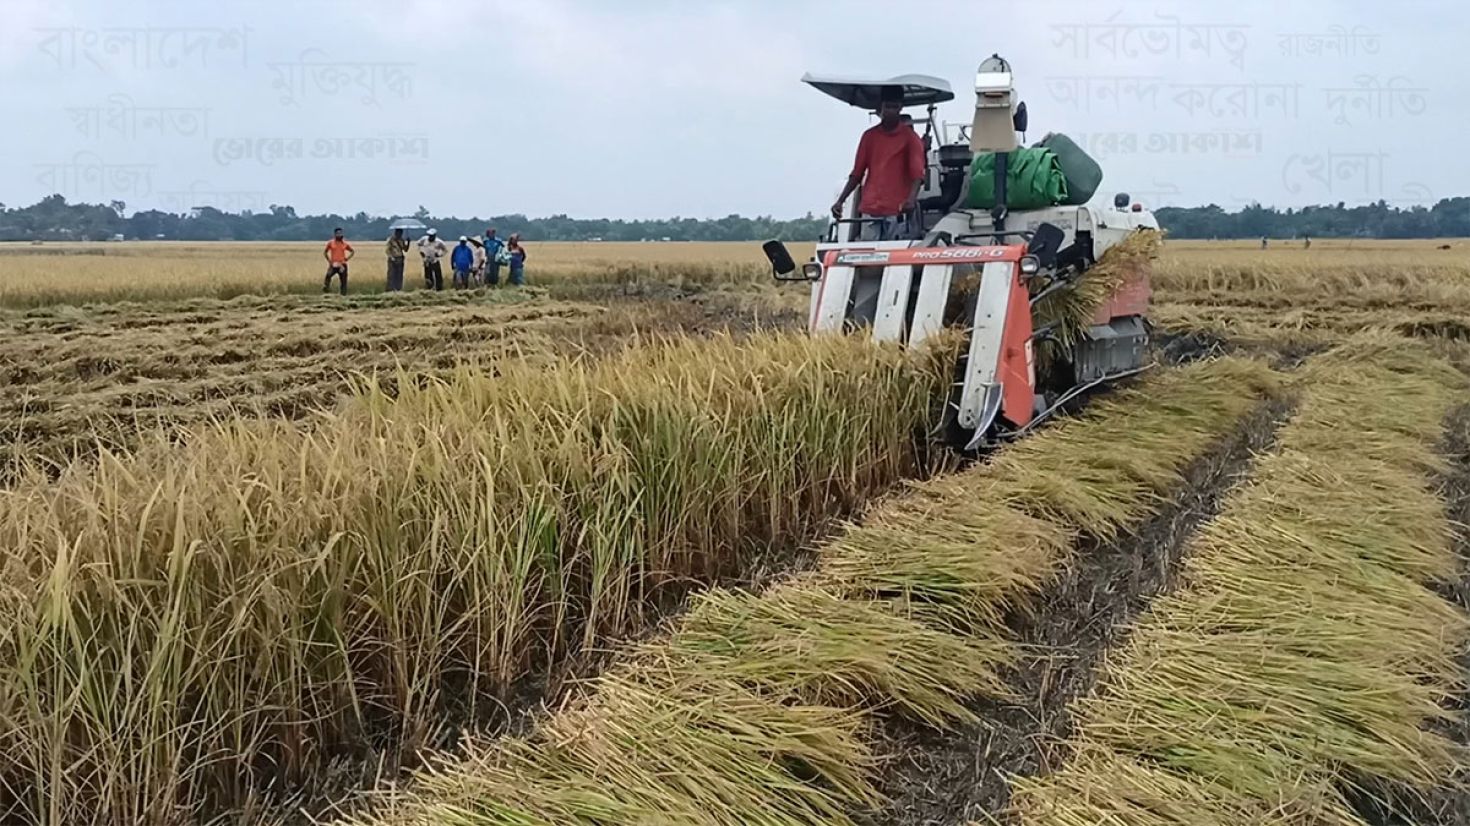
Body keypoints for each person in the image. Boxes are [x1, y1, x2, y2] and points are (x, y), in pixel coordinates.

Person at [830, 85, 925, 241]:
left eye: (894, 107)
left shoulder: (910, 138)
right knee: (868, 253)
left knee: (894, 255)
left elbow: (917, 174)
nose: (890, 112)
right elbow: (856, 173)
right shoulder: (869, 137)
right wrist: (840, 201)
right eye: (887, 107)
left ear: (900, 108)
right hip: (870, 208)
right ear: (879, 108)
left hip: (897, 210)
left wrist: (911, 200)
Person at [323, 227, 354, 295]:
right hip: (333, 264)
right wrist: (329, 260)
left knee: (343, 281)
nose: (339, 235)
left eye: (340, 233)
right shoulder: (331, 243)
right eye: (338, 233)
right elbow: (325, 252)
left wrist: (347, 259)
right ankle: (326, 291)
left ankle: (343, 295)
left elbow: (352, 251)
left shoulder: (345, 243)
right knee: (328, 276)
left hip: (342, 265)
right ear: (335, 234)